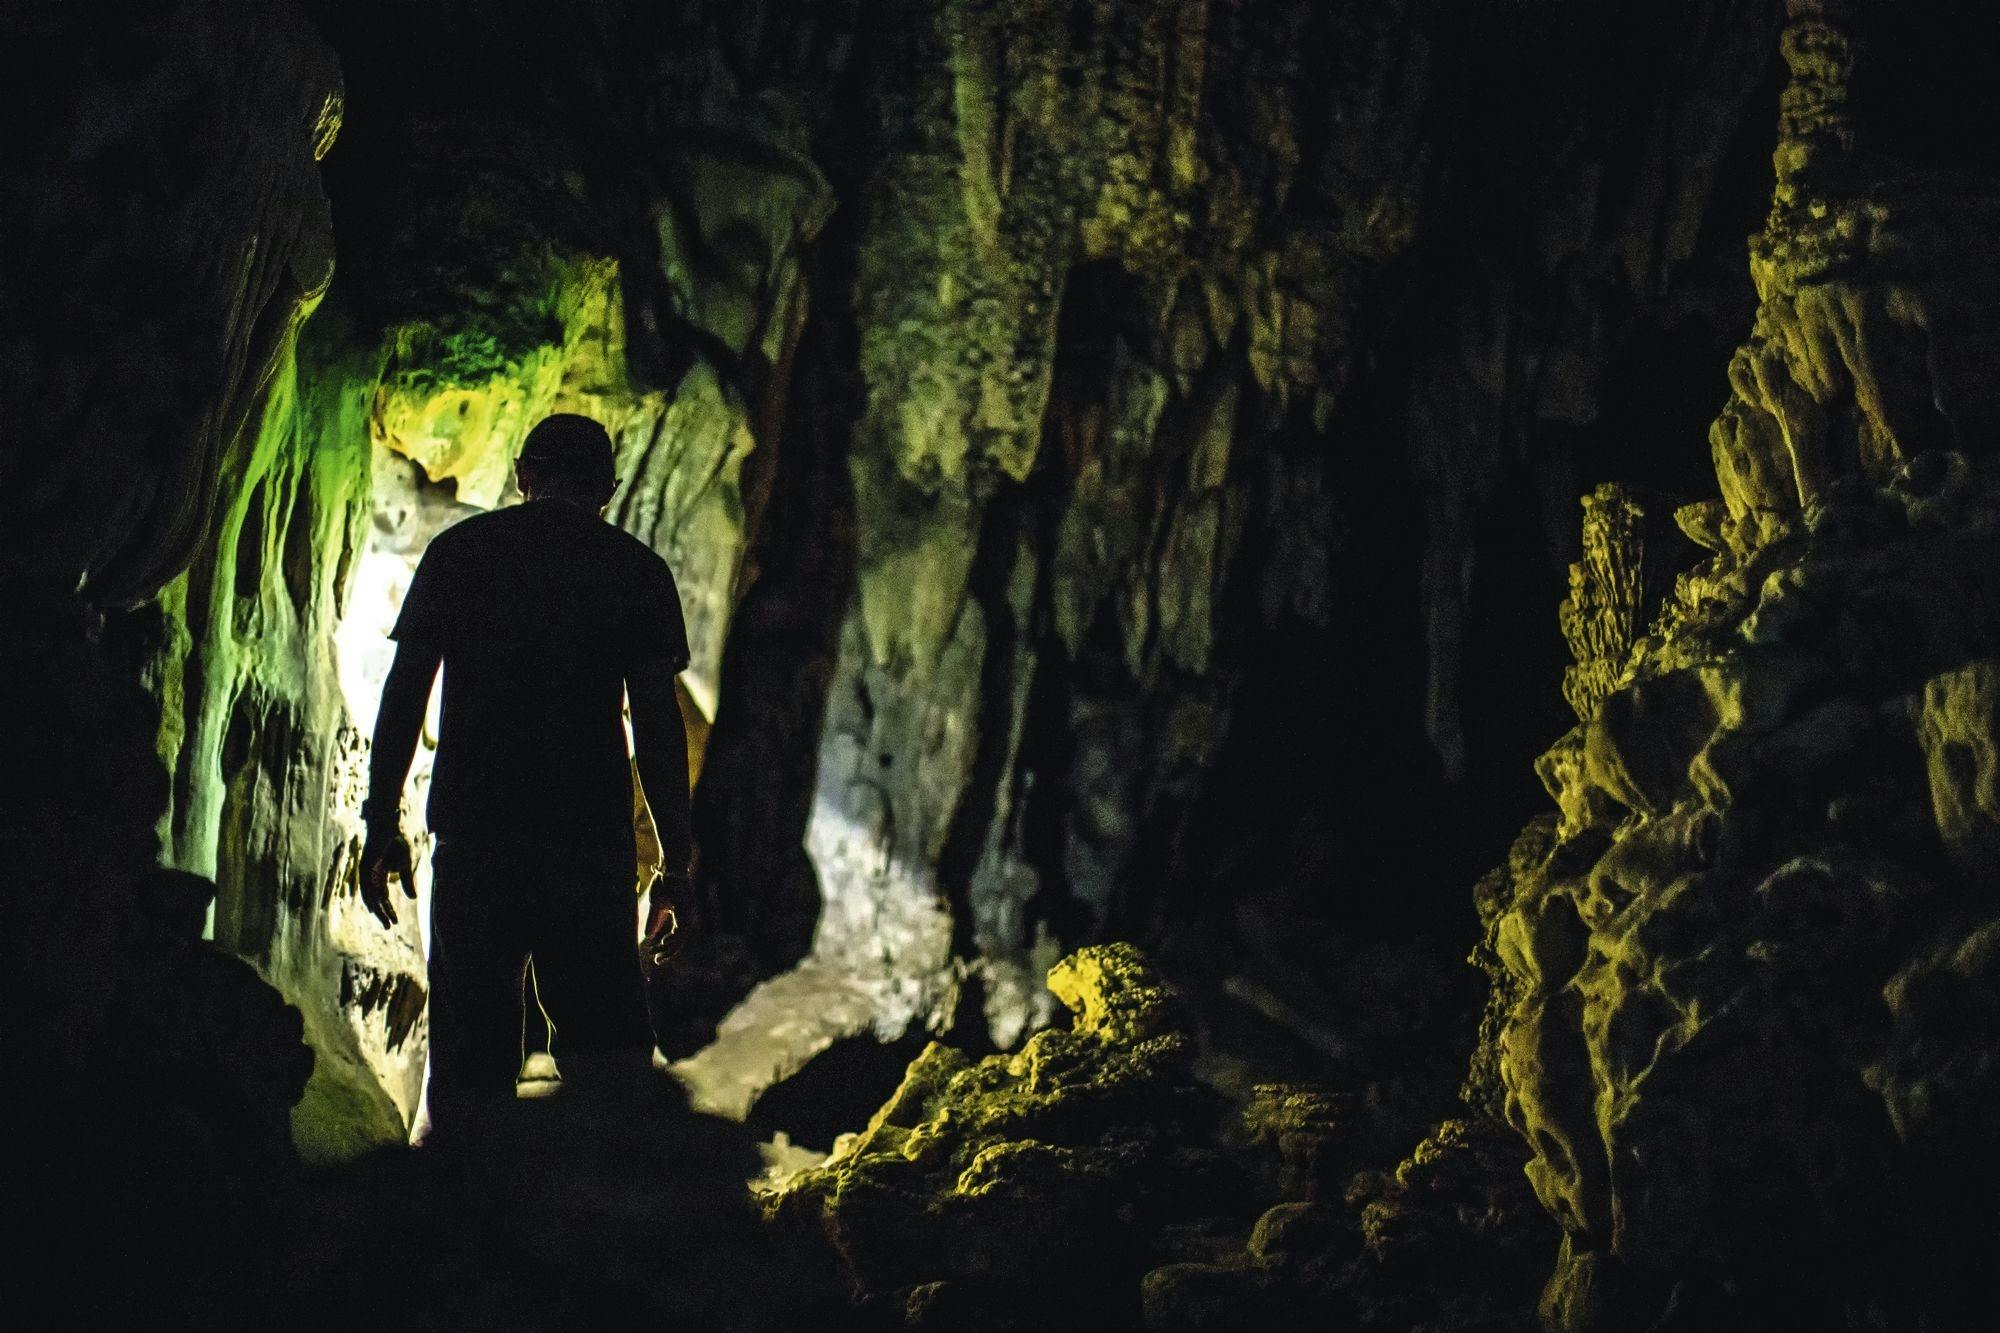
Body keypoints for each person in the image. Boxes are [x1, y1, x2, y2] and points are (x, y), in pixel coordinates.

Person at [358, 412, 694, 1139]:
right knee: (607, 1057)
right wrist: (676, 862)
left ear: (521, 476)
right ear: (608, 488)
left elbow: (405, 688)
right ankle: (609, 1237)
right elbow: (659, 727)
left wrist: (379, 820)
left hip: (480, 837)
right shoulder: (634, 572)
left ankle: (468, 1236)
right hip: (586, 845)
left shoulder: (459, 555)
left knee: (471, 1056)